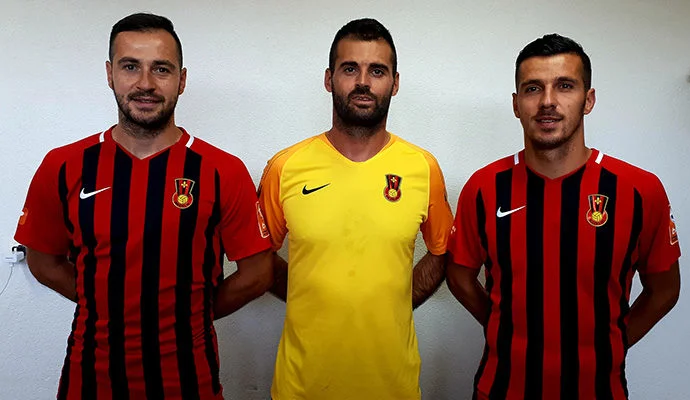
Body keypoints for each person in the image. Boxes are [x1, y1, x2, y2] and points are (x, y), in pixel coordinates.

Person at [14, 13, 273, 399]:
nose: (146, 83)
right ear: (110, 74)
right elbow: (43, 262)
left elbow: (258, 274)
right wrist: (105, 305)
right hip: (90, 381)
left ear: (181, 80)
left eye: (161, 69)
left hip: (189, 382)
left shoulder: (223, 170)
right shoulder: (63, 165)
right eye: (130, 66)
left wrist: (191, 315)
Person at [447, 33, 681, 400]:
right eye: (533, 89)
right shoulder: (484, 187)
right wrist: (502, 329)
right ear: (516, 104)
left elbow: (665, 290)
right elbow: (459, 276)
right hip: (501, 390)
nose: (548, 102)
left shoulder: (640, 190)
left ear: (588, 99)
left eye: (565, 86)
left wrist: (612, 343)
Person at [258, 18, 453, 400]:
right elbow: (258, 259)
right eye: (350, 69)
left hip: (393, 389)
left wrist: (396, 301)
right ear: (329, 79)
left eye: (377, 71)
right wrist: (309, 297)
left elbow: (442, 251)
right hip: (301, 388)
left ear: (395, 83)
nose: (363, 82)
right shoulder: (285, 167)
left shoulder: (423, 168)